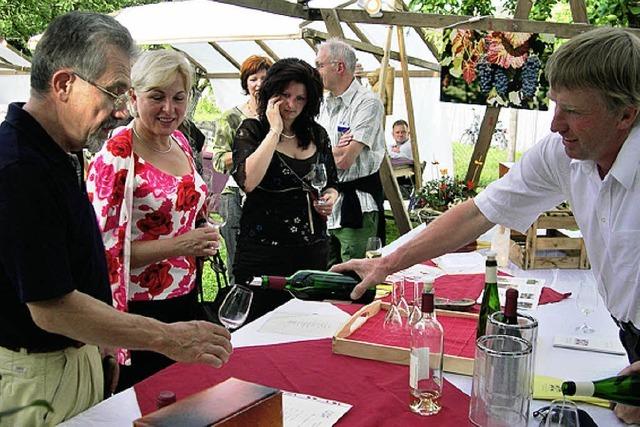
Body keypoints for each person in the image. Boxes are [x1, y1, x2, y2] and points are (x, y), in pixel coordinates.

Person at [332, 27, 640, 424]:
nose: (555, 124)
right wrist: (386, 264)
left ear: (626, 114)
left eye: (574, 112)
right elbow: (478, 212)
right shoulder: (563, 153)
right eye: (554, 105)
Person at [0, 12, 231, 425]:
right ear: (64, 84)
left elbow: (79, 261)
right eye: (115, 91)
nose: (121, 109)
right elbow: (51, 307)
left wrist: (102, 347)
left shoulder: (59, 151)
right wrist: (167, 338)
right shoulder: (19, 167)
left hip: (80, 353)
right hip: (37, 375)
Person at [86, 49, 221, 390]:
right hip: (137, 312)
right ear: (133, 97)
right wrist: (181, 244)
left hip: (186, 299)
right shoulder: (117, 155)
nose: (169, 109)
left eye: (179, 98)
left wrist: (201, 233)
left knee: (188, 398)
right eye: (156, 97)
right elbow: (102, 253)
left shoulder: (179, 141)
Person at [232, 58, 339, 320]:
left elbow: (332, 184)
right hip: (262, 251)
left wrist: (329, 198)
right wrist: (275, 130)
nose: (291, 105)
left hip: (310, 250)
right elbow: (248, 181)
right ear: (271, 94)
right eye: (285, 95)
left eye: (300, 99)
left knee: (305, 326)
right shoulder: (252, 130)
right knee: (255, 328)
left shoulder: (317, 134)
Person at [315, 38, 386, 265]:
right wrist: (332, 150)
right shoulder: (323, 105)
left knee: (355, 281)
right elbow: (306, 154)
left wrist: (322, 154)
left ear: (340, 67)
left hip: (357, 208)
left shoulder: (367, 103)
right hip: (326, 206)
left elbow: (345, 160)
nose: (315, 71)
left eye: (319, 65)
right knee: (323, 280)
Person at [207, 55, 273, 284]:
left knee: (268, 260)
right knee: (239, 259)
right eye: (253, 78)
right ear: (245, 83)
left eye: (265, 78)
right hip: (235, 195)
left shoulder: (278, 116)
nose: (259, 84)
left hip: (270, 195)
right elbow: (217, 160)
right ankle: (236, 311)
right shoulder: (231, 117)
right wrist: (249, 153)